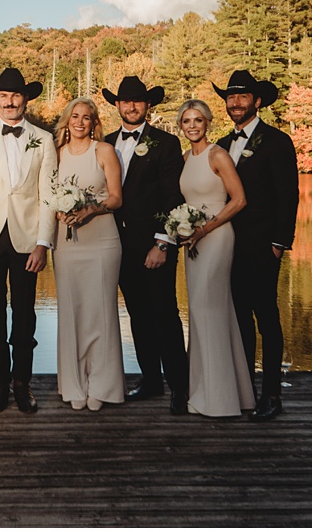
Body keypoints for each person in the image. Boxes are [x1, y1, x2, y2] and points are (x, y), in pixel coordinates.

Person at [0, 67, 57, 414]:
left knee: (25, 315)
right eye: (4, 96)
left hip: (27, 239)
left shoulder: (44, 139)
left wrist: (44, 242)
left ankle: (22, 384)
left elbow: (48, 194)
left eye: (16, 95)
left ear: (25, 99)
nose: (10, 102)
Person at [215, 70, 300, 421]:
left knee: (266, 317)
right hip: (226, 247)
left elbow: (288, 196)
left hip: (263, 245)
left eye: (242, 97)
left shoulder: (276, 141)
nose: (235, 103)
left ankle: (272, 395)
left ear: (257, 101)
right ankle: (245, 388)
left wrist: (279, 244)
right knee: (238, 319)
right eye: (231, 97)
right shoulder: (220, 144)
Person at [102, 76, 188, 415]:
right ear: (118, 106)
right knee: (137, 315)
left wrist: (163, 244)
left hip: (154, 246)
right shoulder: (106, 143)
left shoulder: (165, 144)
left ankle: (179, 387)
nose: (131, 106)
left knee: (165, 314)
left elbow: (173, 198)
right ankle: (151, 380)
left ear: (147, 105)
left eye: (138, 101)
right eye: (125, 101)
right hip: (117, 247)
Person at [176, 99, 255, 417]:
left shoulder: (218, 154)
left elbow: (239, 200)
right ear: (180, 126)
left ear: (207, 122)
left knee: (208, 308)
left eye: (197, 120)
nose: (192, 125)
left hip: (217, 237)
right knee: (199, 311)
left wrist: (206, 228)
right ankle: (207, 390)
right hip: (192, 241)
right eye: (186, 121)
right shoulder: (184, 158)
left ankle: (219, 399)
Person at [52, 98, 125, 412]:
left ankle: (103, 385)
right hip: (67, 244)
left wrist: (90, 210)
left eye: (87, 117)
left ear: (94, 122)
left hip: (103, 240)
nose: (80, 122)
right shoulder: (55, 154)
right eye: (75, 116)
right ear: (67, 120)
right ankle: (74, 384)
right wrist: (59, 214)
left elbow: (117, 198)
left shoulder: (104, 151)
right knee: (72, 312)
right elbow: (47, 197)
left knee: (102, 312)